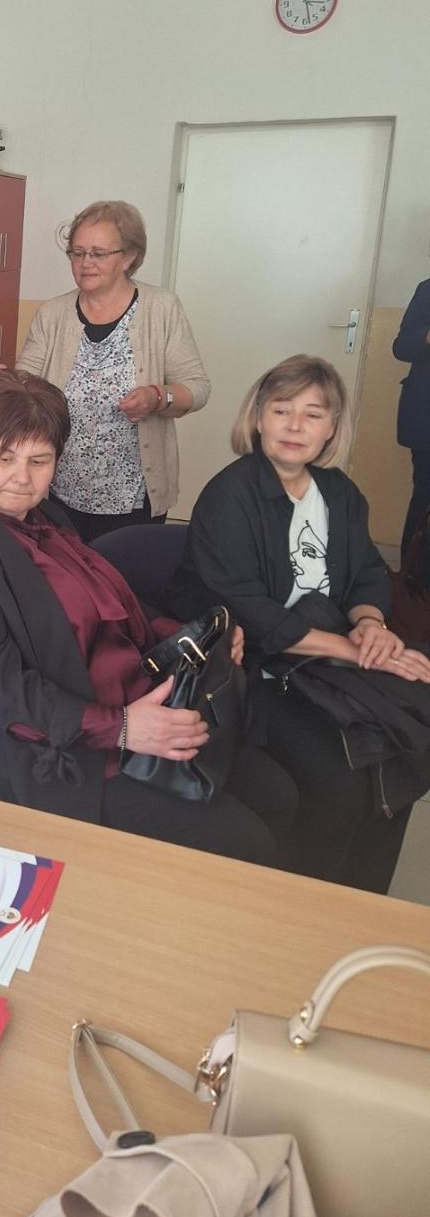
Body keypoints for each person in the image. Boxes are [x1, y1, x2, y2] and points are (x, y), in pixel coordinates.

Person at [0, 369, 296, 866]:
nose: (22, 477)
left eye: (39, 460)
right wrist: (124, 727)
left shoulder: (45, 517)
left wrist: (195, 637)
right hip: (53, 751)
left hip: (128, 709)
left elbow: (113, 605)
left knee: (277, 794)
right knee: (246, 841)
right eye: (4, 458)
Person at [171, 354, 430, 893]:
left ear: (332, 427)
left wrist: (371, 626)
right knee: (341, 781)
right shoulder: (230, 495)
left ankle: (362, 905)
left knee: (403, 752)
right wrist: (349, 649)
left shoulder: (340, 494)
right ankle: (303, 909)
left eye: (313, 414)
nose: (295, 426)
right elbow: (247, 608)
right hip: (254, 670)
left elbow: (366, 572)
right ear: (258, 417)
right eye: (281, 410)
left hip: (323, 661)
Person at [16, 201, 210, 541]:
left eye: (99, 253)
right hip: (60, 491)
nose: (85, 263)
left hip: (134, 497)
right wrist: (5, 383)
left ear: (128, 257)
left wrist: (157, 397)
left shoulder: (161, 308)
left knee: (125, 572)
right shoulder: (53, 314)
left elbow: (197, 387)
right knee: (66, 572)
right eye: (77, 253)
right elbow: (24, 381)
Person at [393, 277, 430, 557]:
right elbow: (401, 347)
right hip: (426, 416)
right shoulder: (428, 290)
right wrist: (426, 336)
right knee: (425, 496)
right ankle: (412, 576)